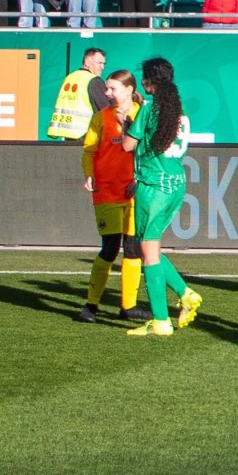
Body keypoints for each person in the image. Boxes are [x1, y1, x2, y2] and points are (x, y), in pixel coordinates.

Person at [122, 57, 201, 337]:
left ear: (150, 81)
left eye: (144, 78)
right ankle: (186, 295)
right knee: (150, 249)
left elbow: (128, 145)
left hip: (153, 184)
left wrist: (126, 122)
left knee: (148, 252)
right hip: (176, 181)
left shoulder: (148, 110)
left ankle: (161, 320)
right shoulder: (180, 110)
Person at [75, 61, 142, 322]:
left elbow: (147, 152)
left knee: (133, 248)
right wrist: (89, 175)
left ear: (128, 89)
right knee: (110, 248)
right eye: (107, 88)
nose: (107, 93)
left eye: (112, 88)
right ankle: (91, 305)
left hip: (135, 192)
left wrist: (140, 177)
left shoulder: (142, 114)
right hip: (107, 191)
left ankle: (128, 307)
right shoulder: (101, 117)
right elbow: (89, 150)